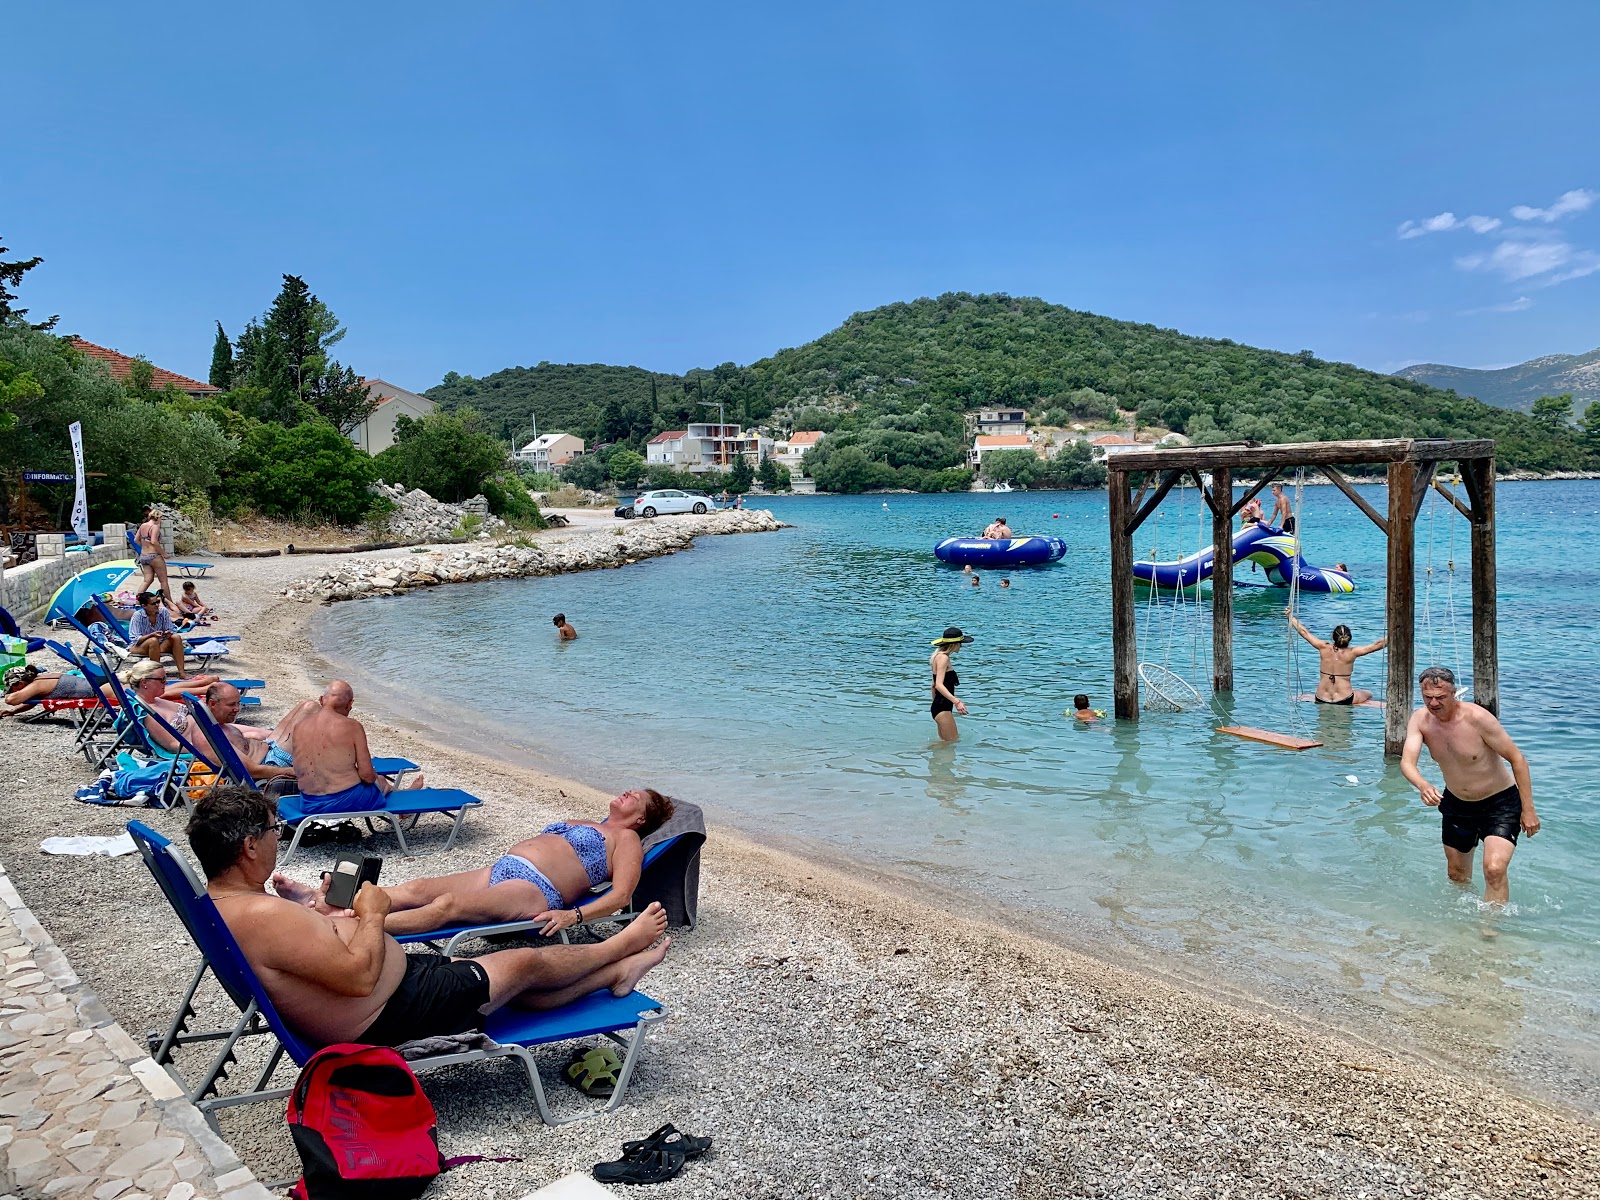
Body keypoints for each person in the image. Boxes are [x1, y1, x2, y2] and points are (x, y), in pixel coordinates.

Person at [188, 786, 671, 1049]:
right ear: (250, 846)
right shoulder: (260, 915)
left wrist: (319, 913)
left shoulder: (229, 905)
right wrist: (371, 914)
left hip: (396, 989)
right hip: (387, 1013)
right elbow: (357, 978)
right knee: (525, 964)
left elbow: (300, 952)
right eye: (274, 832)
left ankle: (614, 971)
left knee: (510, 982)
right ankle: (618, 949)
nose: (278, 836)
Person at [306, 788, 679, 937]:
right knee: (417, 887)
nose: (628, 791)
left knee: (447, 907)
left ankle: (353, 929)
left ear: (641, 819)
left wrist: (573, 916)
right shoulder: (589, 822)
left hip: (535, 890)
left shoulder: (626, 838)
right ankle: (332, 902)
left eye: (637, 797)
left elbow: (622, 894)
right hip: (501, 870)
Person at [1401, 666, 1538, 905]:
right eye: (1428, 697)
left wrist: (1528, 809)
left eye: (1440, 697)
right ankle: (1464, 925)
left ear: (1454, 693)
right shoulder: (1420, 720)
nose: (1433, 703)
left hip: (1500, 803)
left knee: (1494, 869)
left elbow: (1517, 759)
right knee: (1456, 874)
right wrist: (1422, 785)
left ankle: (1491, 929)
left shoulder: (1477, 718)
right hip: (1457, 804)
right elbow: (1407, 762)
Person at [292, 680, 426, 814]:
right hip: (344, 800)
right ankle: (405, 798)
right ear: (350, 704)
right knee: (380, 781)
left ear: (321, 700)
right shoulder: (352, 727)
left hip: (308, 802)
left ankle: (402, 794)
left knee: (377, 780)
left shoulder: (299, 727)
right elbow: (367, 776)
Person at [198, 682, 302, 787]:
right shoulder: (210, 738)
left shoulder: (213, 724)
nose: (237, 709)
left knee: (303, 705)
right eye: (231, 704)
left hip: (269, 747)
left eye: (238, 703)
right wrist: (291, 771)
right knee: (309, 707)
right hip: (271, 762)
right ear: (212, 704)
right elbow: (253, 770)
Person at [1287, 612, 1386, 704]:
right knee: (1368, 693)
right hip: (1345, 699)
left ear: (1333, 637)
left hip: (1321, 697)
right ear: (1349, 638)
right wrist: (1397, 631)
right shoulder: (1352, 652)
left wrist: (1291, 617)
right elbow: (1378, 644)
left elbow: (1304, 632)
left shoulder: (1323, 647)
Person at [127, 592, 188, 677]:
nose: (157, 605)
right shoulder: (138, 616)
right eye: (153, 604)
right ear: (144, 606)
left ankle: (182, 672)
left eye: (158, 602)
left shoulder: (163, 612)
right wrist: (151, 635)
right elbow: (135, 639)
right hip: (140, 646)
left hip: (159, 643)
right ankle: (157, 674)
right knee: (153, 640)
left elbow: (170, 629)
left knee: (176, 637)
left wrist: (168, 633)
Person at [1, 665, 97, 717]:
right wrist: (13, 712)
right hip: (98, 685)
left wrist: (9, 696)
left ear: (20, 683)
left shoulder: (37, 685)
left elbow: (11, 700)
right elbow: (31, 702)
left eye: (12, 689)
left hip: (100, 690)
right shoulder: (41, 679)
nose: (12, 692)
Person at [929, 627, 972, 742]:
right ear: (953, 644)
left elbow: (933, 685)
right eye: (959, 643)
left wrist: (935, 706)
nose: (961, 646)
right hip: (943, 708)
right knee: (952, 742)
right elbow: (938, 685)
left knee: (944, 744)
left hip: (939, 707)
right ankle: (916, 752)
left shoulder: (937, 657)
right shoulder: (943, 658)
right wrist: (957, 702)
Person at [134, 509, 179, 615]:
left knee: (147, 580)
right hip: (154, 556)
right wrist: (163, 553)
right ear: (157, 517)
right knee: (163, 581)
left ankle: (138, 600)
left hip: (144, 556)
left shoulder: (143, 525)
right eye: (161, 518)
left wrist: (145, 546)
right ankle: (169, 602)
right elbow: (154, 541)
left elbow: (136, 540)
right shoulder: (155, 527)